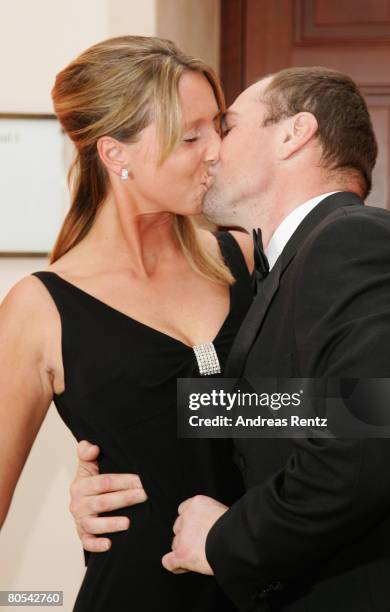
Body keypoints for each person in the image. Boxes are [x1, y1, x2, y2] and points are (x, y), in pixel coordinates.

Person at [72, 68, 390, 612]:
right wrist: (120, 468)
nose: (212, 151)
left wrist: (223, 540)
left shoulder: (357, 239)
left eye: (227, 128)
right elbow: (298, 414)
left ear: (294, 133)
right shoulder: (284, 263)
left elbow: (365, 444)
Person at [0, 35, 255, 611]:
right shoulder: (40, 309)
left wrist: (160, 447)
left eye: (219, 127)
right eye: (191, 136)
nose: (216, 150)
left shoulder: (248, 259)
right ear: (116, 155)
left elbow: (365, 418)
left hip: (270, 587)